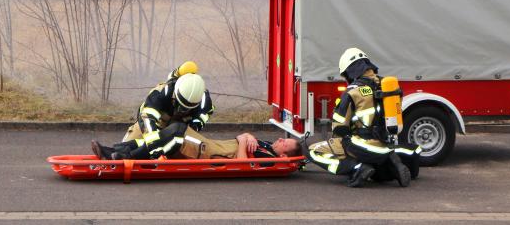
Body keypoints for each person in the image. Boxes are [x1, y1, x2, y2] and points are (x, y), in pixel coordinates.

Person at [307, 48, 422, 187]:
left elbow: (339, 127)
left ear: (349, 71)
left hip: (362, 147)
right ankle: (394, 165)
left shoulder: (352, 92)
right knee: (376, 171)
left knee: (313, 150)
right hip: (387, 144)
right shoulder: (387, 86)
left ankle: (356, 168)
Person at [119, 62, 214, 158]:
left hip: (176, 130)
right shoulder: (162, 92)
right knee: (124, 150)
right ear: (175, 92)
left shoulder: (203, 100)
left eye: (187, 108)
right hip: (150, 125)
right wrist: (153, 144)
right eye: (180, 104)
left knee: (181, 151)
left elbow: (203, 116)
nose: (182, 110)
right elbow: (147, 118)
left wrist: (194, 127)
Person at [90, 122, 302, 160]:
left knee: (175, 133)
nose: (279, 140)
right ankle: (116, 150)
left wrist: (242, 138)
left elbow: (242, 165)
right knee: (169, 131)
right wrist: (247, 137)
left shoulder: (268, 157)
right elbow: (246, 141)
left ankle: (123, 156)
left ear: (283, 154)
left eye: (284, 143)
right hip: (208, 144)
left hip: (208, 151)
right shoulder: (266, 146)